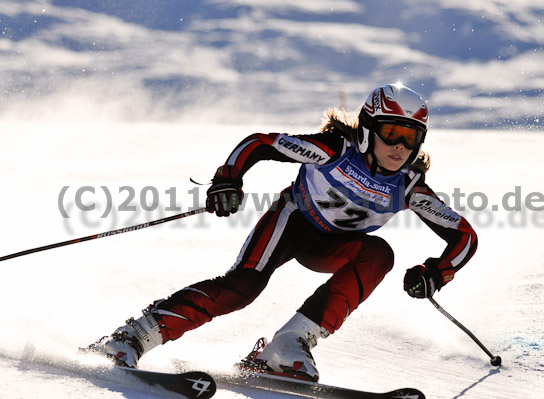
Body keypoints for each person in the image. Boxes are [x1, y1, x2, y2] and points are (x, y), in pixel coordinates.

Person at [87, 83, 477, 381]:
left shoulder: (408, 187)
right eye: (391, 132)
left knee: (379, 254)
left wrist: (436, 273)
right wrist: (228, 179)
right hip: (291, 222)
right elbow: (260, 143)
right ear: (368, 129)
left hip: (334, 248)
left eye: (411, 138)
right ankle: (133, 337)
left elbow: (464, 236)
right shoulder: (334, 150)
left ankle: (288, 344)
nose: (399, 146)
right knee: (242, 288)